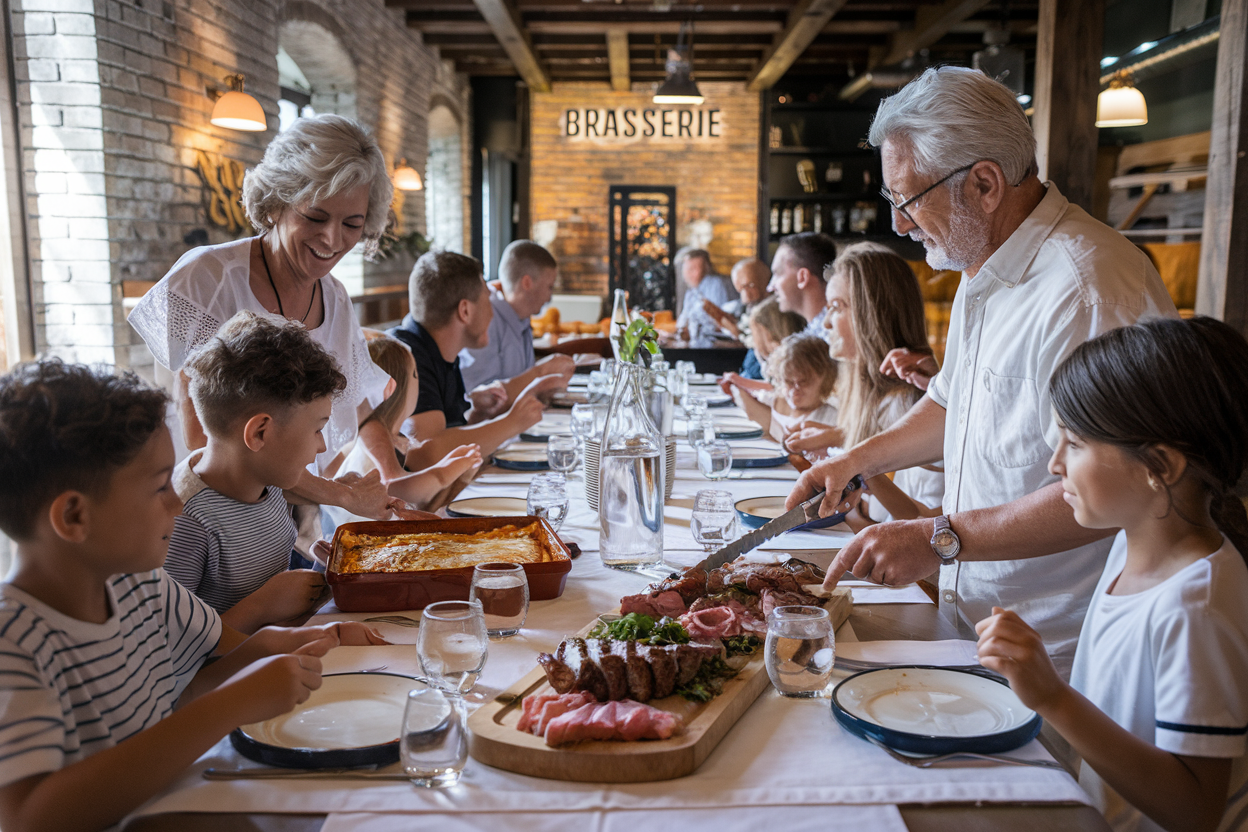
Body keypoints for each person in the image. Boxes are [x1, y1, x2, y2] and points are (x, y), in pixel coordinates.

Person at [793, 66, 1176, 675]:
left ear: (985, 184)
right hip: (978, 621)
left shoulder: (1090, 288)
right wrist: (856, 460)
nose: (899, 224)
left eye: (909, 199)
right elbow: (951, 405)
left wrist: (939, 537)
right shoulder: (983, 266)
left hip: (1059, 648)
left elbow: (1126, 485)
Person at [0, 359, 385, 832]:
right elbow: (27, 817)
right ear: (75, 517)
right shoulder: (14, 642)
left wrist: (280, 645)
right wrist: (231, 703)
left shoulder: (141, 584)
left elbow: (184, 689)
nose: (178, 502)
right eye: (160, 486)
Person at [976, 317, 1248, 832]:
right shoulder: (1128, 545)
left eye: (1074, 444)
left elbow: (1195, 811)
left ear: (1160, 466)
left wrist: (1052, 696)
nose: (1055, 465)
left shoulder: (1196, 605)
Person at [128, 113, 408, 529]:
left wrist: (392, 480)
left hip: (283, 518)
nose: (332, 240)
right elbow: (204, 442)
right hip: (197, 517)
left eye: (351, 224)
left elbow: (358, 410)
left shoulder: (333, 296)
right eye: (315, 217)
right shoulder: (206, 279)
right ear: (276, 201)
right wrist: (342, 495)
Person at [166, 312, 347, 633]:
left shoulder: (268, 481)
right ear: (260, 433)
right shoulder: (186, 520)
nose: (321, 447)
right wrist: (261, 606)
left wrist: (320, 570)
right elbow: (171, 645)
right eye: (318, 429)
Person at [791, 242, 943, 526]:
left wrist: (854, 461)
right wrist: (839, 438)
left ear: (871, 313)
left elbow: (927, 525)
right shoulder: (874, 395)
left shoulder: (908, 402)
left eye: (836, 307)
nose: (826, 324)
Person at [388, 250, 554, 469]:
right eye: (487, 299)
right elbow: (426, 454)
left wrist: (477, 416)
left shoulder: (442, 351)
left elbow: (448, 434)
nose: (493, 314)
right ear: (464, 311)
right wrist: (511, 423)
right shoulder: (407, 355)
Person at [331, 334, 482, 511]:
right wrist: (447, 470)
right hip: (358, 532)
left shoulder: (395, 436)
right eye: (415, 373)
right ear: (393, 386)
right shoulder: (372, 428)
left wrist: (459, 475)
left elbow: (419, 506)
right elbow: (398, 488)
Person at [459, 240, 576, 396]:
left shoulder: (522, 317)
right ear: (527, 283)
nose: (550, 297)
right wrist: (540, 372)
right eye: (550, 286)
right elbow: (477, 397)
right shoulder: (485, 320)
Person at [733, 333, 838, 446]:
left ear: (826, 379)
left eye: (804, 382)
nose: (795, 389)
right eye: (789, 382)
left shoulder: (831, 419)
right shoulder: (771, 401)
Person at [718, 296, 805, 398]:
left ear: (769, 334)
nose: (755, 341)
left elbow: (779, 389)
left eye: (756, 334)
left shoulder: (791, 358)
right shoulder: (767, 357)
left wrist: (741, 382)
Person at [706, 257, 772, 379]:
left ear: (765, 281)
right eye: (741, 289)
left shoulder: (775, 314)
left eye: (750, 285)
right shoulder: (748, 310)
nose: (745, 295)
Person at [767, 232, 839, 334]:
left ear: (803, 278)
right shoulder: (819, 331)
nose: (770, 287)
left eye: (778, 274)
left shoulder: (832, 335)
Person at [673, 248, 738, 347]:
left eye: (695, 269)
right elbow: (682, 323)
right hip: (697, 346)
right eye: (688, 269)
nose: (691, 274)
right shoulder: (691, 292)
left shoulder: (716, 284)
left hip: (717, 348)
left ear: (707, 269)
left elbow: (722, 323)